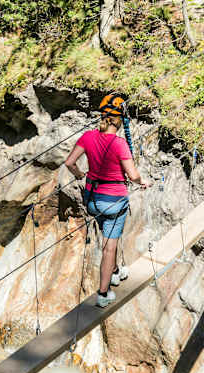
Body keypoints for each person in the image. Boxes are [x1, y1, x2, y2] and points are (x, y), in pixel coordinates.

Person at [64, 94, 151, 308]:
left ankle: (114, 271)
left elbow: (69, 162)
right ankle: (103, 293)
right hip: (114, 203)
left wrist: (78, 174)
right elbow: (132, 175)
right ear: (119, 120)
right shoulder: (119, 144)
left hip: (92, 200)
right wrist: (142, 182)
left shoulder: (87, 137)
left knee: (107, 234)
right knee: (109, 248)